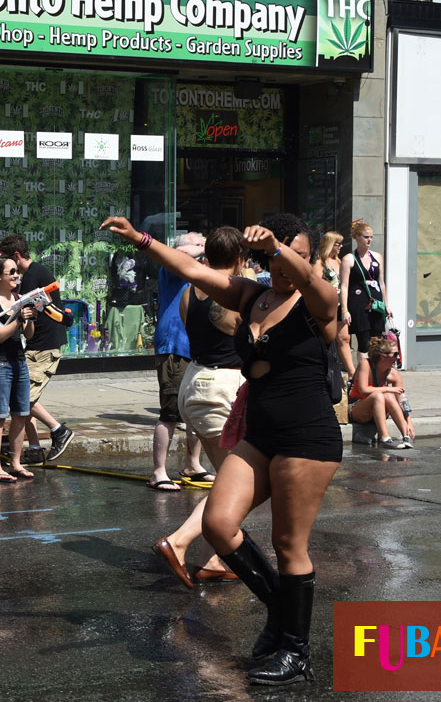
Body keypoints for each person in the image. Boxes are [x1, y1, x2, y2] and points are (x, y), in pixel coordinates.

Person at [103, 212, 340, 686]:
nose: (284, 265)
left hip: (307, 437)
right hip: (260, 432)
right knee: (217, 524)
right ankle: (282, 609)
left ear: (305, 257)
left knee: (288, 544)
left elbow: (314, 281)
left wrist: (277, 247)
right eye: (273, 257)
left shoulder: (319, 301)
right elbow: (192, 271)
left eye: (294, 254)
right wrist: (141, 239)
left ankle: (295, 650)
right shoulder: (251, 295)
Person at [152, 226, 247, 587]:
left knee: (230, 480)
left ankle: (217, 558)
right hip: (224, 388)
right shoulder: (237, 294)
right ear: (239, 257)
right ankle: (180, 543)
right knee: (241, 485)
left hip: (195, 383)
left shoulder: (191, 292)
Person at [0, 234, 77, 463]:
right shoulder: (34, 274)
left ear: (17, 256)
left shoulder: (32, 277)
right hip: (37, 344)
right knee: (22, 399)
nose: (9, 270)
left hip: (45, 347)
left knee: (23, 398)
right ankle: (33, 448)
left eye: (9, 264)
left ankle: (58, 429)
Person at [149, 232, 204, 492]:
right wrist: (203, 250)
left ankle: (193, 464)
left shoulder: (198, 268)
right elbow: (180, 255)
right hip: (174, 346)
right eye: (199, 244)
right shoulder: (172, 265)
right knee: (170, 412)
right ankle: (158, 471)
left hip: (195, 346)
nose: (203, 249)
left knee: (195, 411)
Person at [0, 254, 38, 483]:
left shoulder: (18, 297)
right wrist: (17, 316)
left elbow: (28, 334)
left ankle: (15, 463)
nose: (16, 275)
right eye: (10, 272)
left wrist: (29, 318)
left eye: (16, 271)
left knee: (21, 414)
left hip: (19, 360)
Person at [347, 335, 414, 448]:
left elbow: (402, 401)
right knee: (379, 395)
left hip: (379, 411)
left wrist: (409, 423)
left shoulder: (394, 374)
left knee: (388, 396)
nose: (398, 358)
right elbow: (364, 390)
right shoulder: (365, 364)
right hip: (358, 408)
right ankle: (385, 437)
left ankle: (406, 436)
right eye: (395, 354)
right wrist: (388, 388)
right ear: (383, 356)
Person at [339, 220, 391, 362]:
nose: (369, 240)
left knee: (376, 341)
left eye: (371, 237)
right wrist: (345, 309)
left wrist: (386, 304)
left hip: (376, 303)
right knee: (364, 342)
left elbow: (381, 282)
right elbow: (344, 286)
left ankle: (375, 373)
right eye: (366, 237)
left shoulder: (377, 257)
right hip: (359, 302)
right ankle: (364, 374)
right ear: (357, 237)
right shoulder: (349, 259)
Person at [317, 231, 356, 378]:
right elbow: (314, 283)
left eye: (341, 244)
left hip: (341, 305)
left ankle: (352, 373)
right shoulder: (320, 263)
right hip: (326, 305)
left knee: (344, 338)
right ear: (329, 244)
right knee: (326, 338)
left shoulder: (340, 262)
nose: (340, 246)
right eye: (337, 244)